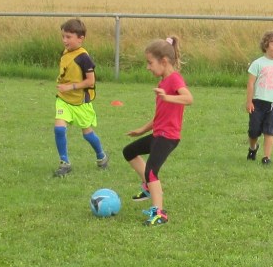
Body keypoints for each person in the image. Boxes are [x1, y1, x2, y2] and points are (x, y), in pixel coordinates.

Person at [123, 36, 193, 226]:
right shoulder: (163, 82)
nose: (148, 67)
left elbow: (188, 98)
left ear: (163, 61)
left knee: (151, 171)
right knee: (129, 152)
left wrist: (168, 97)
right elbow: (160, 116)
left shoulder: (174, 79)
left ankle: (159, 213)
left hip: (168, 137)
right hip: (158, 134)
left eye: (150, 62)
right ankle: (148, 188)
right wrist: (141, 130)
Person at [53, 18, 109, 176]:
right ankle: (64, 163)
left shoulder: (84, 58)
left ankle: (101, 156)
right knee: (59, 129)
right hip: (63, 99)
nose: (65, 40)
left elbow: (91, 81)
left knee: (88, 134)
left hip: (80, 102)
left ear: (80, 38)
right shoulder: (65, 53)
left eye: (68, 37)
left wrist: (70, 87)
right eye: (63, 36)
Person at [245, 30, 273, 165]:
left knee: (269, 131)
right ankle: (253, 148)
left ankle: (266, 157)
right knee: (254, 131)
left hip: (272, 104)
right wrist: (249, 102)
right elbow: (251, 84)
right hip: (257, 102)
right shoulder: (258, 63)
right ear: (266, 45)